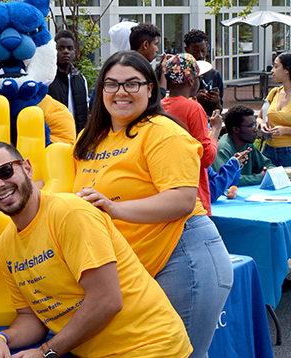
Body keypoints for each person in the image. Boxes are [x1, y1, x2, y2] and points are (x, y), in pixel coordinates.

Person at [73, 50, 232, 358]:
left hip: (183, 257)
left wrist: (114, 208)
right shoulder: (89, 139)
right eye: (111, 84)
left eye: (132, 83)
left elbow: (182, 199)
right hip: (137, 267)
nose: (121, 92)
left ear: (150, 89)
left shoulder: (163, 132)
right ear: (100, 90)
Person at [0, 141, 192, 358]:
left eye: (5, 171)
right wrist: (0, 339)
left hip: (149, 348)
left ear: (27, 169)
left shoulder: (69, 214)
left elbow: (106, 301)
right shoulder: (5, 245)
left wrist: (45, 351)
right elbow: (32, 319)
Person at [162, 53, 222, 215]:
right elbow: (206, 157)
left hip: (166, 191)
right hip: (193, 194)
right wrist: (215, 131)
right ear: (190, 81)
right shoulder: (193, 108)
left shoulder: (159, 106)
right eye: (198, 78)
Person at [213, 104, 275, 185]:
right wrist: (260, 177)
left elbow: (267, 165)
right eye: (251, 126)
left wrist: (270, 170)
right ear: (236, 129)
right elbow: (227, 179)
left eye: (255, 125)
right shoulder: (223, 149)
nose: (256, 129)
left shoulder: (248, 145)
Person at [48, 30, 88, 134]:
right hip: (55, 136)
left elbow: (84, 111)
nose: (66, 51)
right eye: (61, 48)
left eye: (70, 48)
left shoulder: (80, 78)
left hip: (78, 137)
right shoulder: (48, 79)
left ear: (74, 51)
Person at [258, 52, 291, 167]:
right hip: (268, 150)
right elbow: (260, 117)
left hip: (288, 152)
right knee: (265, 183)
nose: (272, 70)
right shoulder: (274, 92)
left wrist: (285, 130)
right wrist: (262, 125)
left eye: (276, 66)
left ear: (287, 70)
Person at [184, 29, 223, 117]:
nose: (200, 56)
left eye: (203, 50)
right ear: (187, 50)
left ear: (206, 46)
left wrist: (216, 101)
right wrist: (195, 98)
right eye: (195, 52)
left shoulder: (215, 74)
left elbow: (219, 109)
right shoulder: (182, 74)